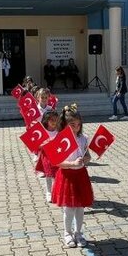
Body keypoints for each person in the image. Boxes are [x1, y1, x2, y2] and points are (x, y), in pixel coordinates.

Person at [51, 105, 93, 248]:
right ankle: (67, 233)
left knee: (80, 207)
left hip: (80, 176)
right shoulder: (60, 139)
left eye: (78, 124)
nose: (76, 127)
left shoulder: (83, 138)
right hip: (67, 176)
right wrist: (73, 163)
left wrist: (86, 159)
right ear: (65, 124)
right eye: (72, 125)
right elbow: (57, 162)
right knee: (69, 208)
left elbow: (87, 155)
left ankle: (78, 232)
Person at [35, 110, 60, 202]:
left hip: (57, 156)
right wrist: (44, 145)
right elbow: (37, 146)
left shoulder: (59, 130)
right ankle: (49, 192)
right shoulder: (42, 131)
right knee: (48, 174)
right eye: (52, 120)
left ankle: (57, 191)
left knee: (57, 174)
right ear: (46, 120)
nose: (54, 122)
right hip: (46, 156)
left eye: (56, 120)